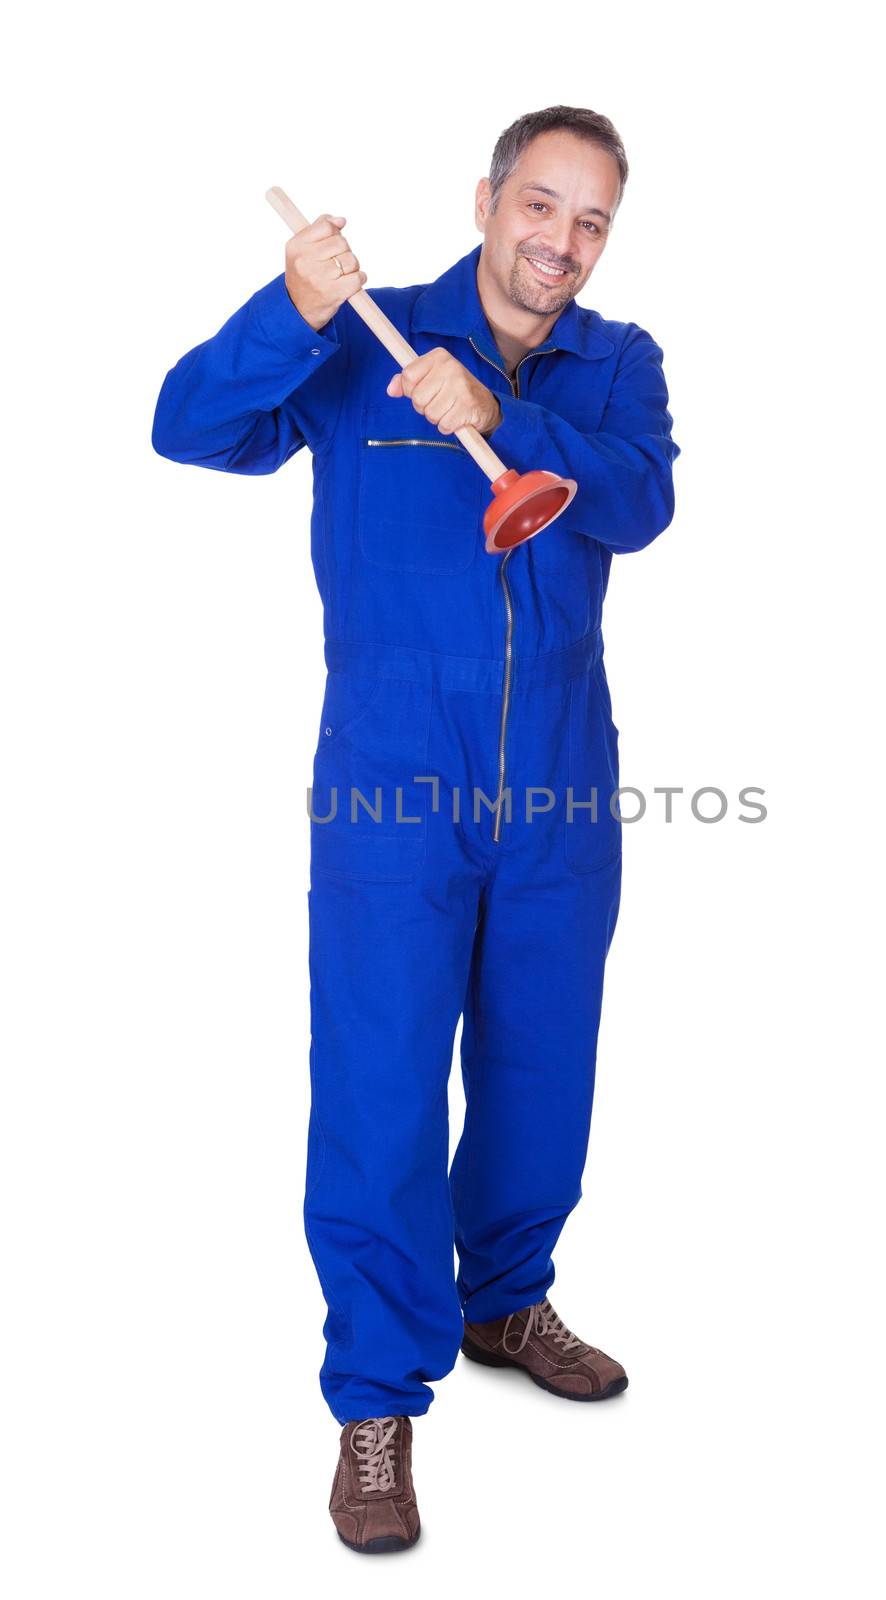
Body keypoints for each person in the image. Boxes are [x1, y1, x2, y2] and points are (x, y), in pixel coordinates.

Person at [152, 104, 680, 1555]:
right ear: (487, 199)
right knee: (380, 1078)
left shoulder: (614, 362)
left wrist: (505, 414)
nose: (561, 243)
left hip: (563, 774)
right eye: (542, 207)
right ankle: (375, 1401)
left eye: (591, 222)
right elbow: (190, 427)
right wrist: (291, 308)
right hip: (394, 766)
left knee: (537, 1062)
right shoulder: (367, 333)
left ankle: (505, 1298)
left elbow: (637, 504)